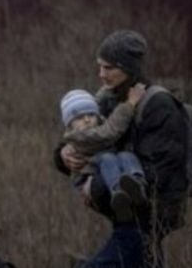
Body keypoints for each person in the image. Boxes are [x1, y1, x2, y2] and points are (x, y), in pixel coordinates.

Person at [58, 30, 188, 268]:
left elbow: (160, 174)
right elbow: (85, 136)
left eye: (108, 67)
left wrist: (99, 186)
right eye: (99, 66)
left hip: (147, 219)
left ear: (128, 68)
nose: (101, 74)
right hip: (127, 217)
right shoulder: (108, 99)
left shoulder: (159, 105)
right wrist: (64, 155)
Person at [59, 87, 148, 222]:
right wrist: (129, 104)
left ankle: (137, 184)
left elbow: (102, 118)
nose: (87, 120)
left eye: (91, 114)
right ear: (70, 125)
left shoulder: (98, 123)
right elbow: (109, 132)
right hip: (88, 176)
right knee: (107, 158)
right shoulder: (79, 137)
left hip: (107, 170)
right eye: (80, 118)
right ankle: (118, 194)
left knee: (126, 155)